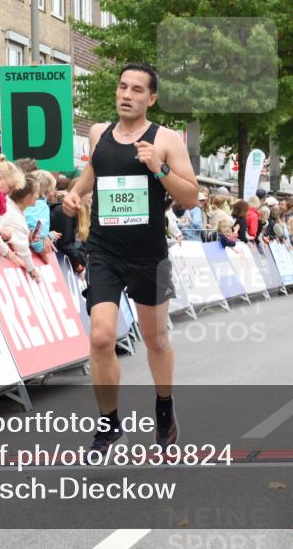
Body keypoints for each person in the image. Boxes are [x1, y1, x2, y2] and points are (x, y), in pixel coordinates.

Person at [62, 63, 199, 455]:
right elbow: (94, 172)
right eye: (123, 87)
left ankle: (164, 407)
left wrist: (158, 167)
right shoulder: (99, 133)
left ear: (151, 98)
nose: (127, 94)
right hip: (104, 250)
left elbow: (190, 198)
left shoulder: (166, 139)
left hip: (149, 254)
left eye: (137, 90)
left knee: (156, 339)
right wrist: (74, 194)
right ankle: (108, 423)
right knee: (101, 335)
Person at [2, 173, 41, 280]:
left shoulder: (12, 208)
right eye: (37, 193)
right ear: (28, 197)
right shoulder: (13, 216)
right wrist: (32, 270)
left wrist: (28, 237)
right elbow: (21, 249)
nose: (38, 196)